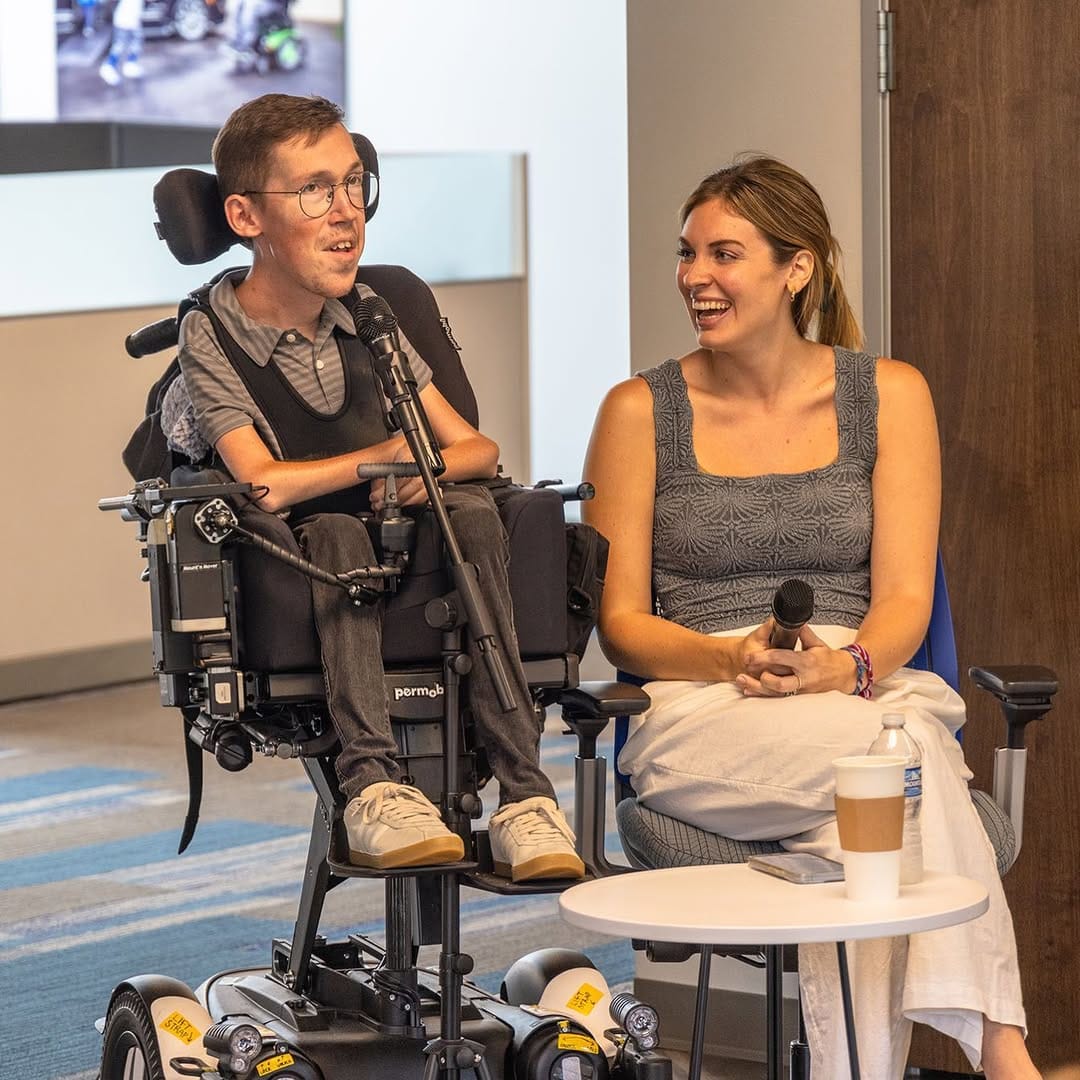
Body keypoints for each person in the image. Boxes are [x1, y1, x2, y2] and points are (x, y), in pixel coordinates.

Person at [582, 156, 1039, 1078]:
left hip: (861, 685)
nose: (694, 277)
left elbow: (907, 596)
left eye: (724, 254)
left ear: (798, 269)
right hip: (702, 707)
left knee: (865, 820)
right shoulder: (639, 412)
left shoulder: (891, 395)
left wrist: (846, 668)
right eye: (687, 254)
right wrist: (729, 661)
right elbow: (619, 623)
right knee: (901, 776)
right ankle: (1003, 1052)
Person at [174, 93, 584, 884]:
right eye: (316, 191)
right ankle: (371, 787)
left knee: (468, 509)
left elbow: (474, 448)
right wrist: (388, 462)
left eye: (356, 184)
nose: (347, 214)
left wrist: (410, 474)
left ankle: (526, 798)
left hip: (408, 542)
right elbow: (261, 484)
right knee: (334, 532)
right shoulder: (212, 330)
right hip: (312, 555)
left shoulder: (372, 311)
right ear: (245, 215)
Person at [99, 0, 145, 85]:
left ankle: (130, 64)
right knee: (120, 45)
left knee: (136, 43)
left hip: (134, 19)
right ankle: (108, 66)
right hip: (124, 19)